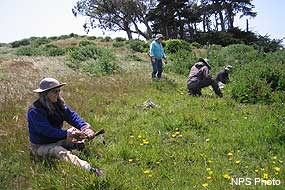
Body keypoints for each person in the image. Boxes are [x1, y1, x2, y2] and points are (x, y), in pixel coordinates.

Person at [27, 77, 103, 176]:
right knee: (61, 153)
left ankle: (78, 145)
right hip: (41, 145)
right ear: (45, 94)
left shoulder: (59, 104)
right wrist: (66, 134)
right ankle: (89, 170)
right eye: (55, 91)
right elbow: (46, 130)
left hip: (57, 139)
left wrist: (85, 127)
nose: (58, 94)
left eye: (59, 90)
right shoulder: (35, 111)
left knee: (79, 137)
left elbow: (72, 116)